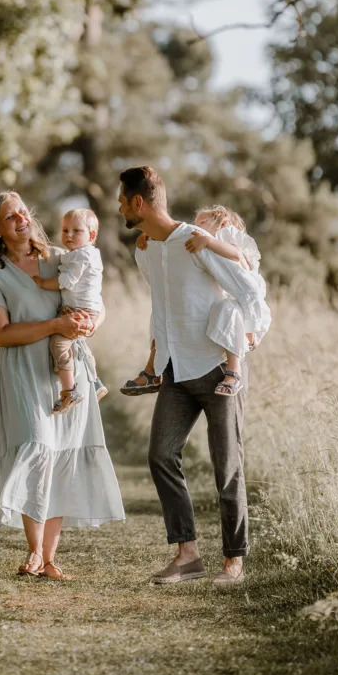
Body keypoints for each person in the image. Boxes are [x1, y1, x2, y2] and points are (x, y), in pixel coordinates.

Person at [118, 167, 269, 587]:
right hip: (175, 370)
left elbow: (249, 290)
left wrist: (246, 336)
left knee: (227, 467)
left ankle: (233, 562)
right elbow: (162, 307)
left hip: (217, 367)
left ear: (138, 203)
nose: (118, 208)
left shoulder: (195, 241)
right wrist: (153, 363)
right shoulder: (145, 250)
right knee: (161, 455)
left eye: (121, 200)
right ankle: (187, 555)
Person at [0, 193, 124, 580]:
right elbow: (0, 334)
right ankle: (33, 552)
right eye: (9, 216)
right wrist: (55, 326)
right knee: (36, 448)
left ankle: (50, 557)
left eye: (22, 211)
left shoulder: (63, 255)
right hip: (23, 371)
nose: (21, 219)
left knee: (62, 455)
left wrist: (92, 323)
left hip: (68, 370)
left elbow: (96, 301)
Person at [122, 204, 270, 398]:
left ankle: (234, 372)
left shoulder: (227, 240)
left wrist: (207, 241)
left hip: (243, 307)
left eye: (202, 223)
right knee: (162, 311)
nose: (195, 226)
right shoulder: (205, 246)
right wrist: (150, 236)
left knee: (226, 311)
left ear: (223, 224)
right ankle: (151, 370)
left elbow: (237, 255)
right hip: (225, 301)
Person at [32, 208, 108, 413]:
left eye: (76, 231)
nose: (69, 235)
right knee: (80, 345)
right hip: (86, 308)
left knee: (59, 344)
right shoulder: (82, 254)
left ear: (91, 235)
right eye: (65, 230)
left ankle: (69, 391)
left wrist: (42, 283)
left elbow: (66, 281)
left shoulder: (81, 256)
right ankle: (96, 383)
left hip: (79, 310)